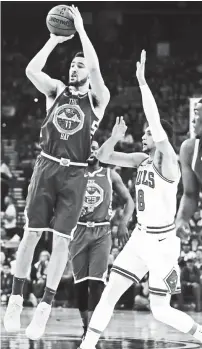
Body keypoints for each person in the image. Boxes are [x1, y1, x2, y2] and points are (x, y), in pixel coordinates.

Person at [79, 50, 202, 349]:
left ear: (161, 140)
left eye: (148, 133)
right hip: (139, 237)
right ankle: (87, 346)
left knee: (160, 310)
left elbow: (156, 124)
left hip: (162, 243)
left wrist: (143, 84)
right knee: (110, 293)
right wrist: (114, 136)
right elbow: (104, 156)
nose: (144, 135)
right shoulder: (140, 160)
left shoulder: (169, 161)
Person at [4, 5, 110, 341]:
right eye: (73, 64)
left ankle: (44, 309)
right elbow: (31, 69)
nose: (76, 67)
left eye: (80, 64)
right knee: (31, 235)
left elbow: (94, 66)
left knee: (62, 241)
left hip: (76, 174)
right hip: (47, 165)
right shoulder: (55, 91)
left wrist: (80, 29)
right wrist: (52, 41)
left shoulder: (98, 98)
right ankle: (15, 299)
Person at [69, 140, 134, 338]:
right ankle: (85, 327)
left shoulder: (110, 174)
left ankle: (92, 331)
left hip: (101, 231)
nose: (91, 150)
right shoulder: (74, 174)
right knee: (80, 285)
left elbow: (129, 201)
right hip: (78, 230)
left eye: (95, 147)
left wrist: (123, 222)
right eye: (87, 147)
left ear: (101, 152)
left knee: (96, 283)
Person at [176, 99, 202, 241]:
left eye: (197, 113)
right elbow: (191, 194)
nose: (193, 120)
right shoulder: (189, 149)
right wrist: (181, 219)